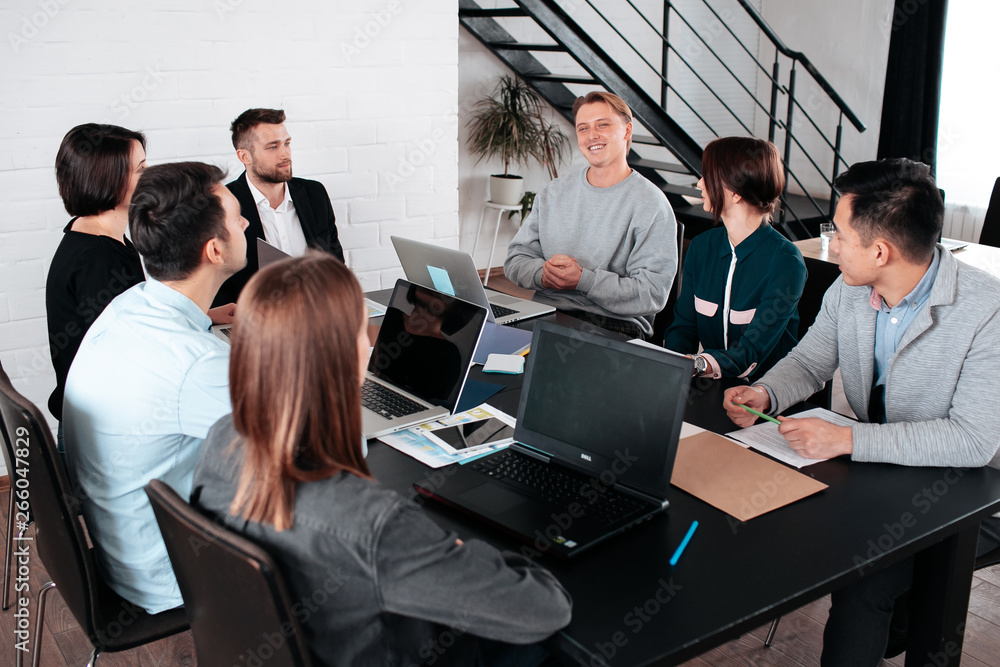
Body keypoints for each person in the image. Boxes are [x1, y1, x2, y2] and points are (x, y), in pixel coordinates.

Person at [191, 253, 572, 665]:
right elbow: (544, 608)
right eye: (362, 332)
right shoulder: (373, 525)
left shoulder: (221, 440)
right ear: (346, 357)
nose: (370, 342)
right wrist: (462, 551)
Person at [722, 158, 1000, 666]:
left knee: (865, 582)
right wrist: (765, 393)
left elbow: (974, 440)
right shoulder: (850, 289)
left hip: (971, 494)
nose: (832, 244)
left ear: (880, 250)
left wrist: (847, 440)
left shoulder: (988, 310)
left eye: (840, 233)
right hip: (886, 474)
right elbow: (809, 361)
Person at [63, 161, 249, 614]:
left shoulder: (130, 304)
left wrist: (208, 320)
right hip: (174, 576)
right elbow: (311, 453)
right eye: (238, 217)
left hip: (122, 548)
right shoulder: (198, 364)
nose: (246, 223)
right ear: (214, 251)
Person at [504, 91, 677, 339]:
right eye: (583, 128)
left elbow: (652, 293)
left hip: (613, 323)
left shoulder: (651, 203)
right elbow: (515, 260)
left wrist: (583, 281)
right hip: (546, 312)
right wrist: (543, 274)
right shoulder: (553, 192)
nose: (591, 135)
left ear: (627, 131)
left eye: (602, 125)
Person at [663, 136, 806, 380]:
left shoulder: (785, 261)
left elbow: (749, 352)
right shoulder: (701, 247)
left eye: (707, 176)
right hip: (712, 385)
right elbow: (683, 328)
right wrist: (669, 372)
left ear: (735, 192)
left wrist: (695, 365)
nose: (699, 184)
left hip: (767, 394)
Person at [213, 108, 345, 307]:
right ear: (244, 157)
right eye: (272, 147)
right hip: (255, 322)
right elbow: (215, 279)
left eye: (287, 143)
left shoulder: (314, 194)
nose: (285, 154)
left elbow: (335, 264)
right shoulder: (222, 204)